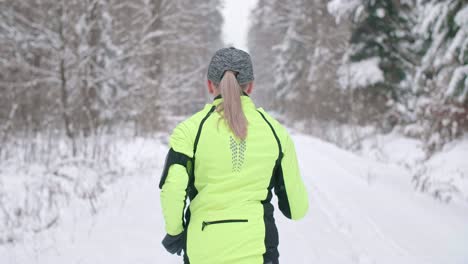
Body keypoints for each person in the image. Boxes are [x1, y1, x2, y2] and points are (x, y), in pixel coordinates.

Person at [159, 47, 308, 264]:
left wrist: (175, 232)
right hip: (259, 252)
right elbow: (296, 209)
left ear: (210, 84)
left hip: (203, 250)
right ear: (251, 85)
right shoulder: (276, 133)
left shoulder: (189, 131)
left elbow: (173, 188)